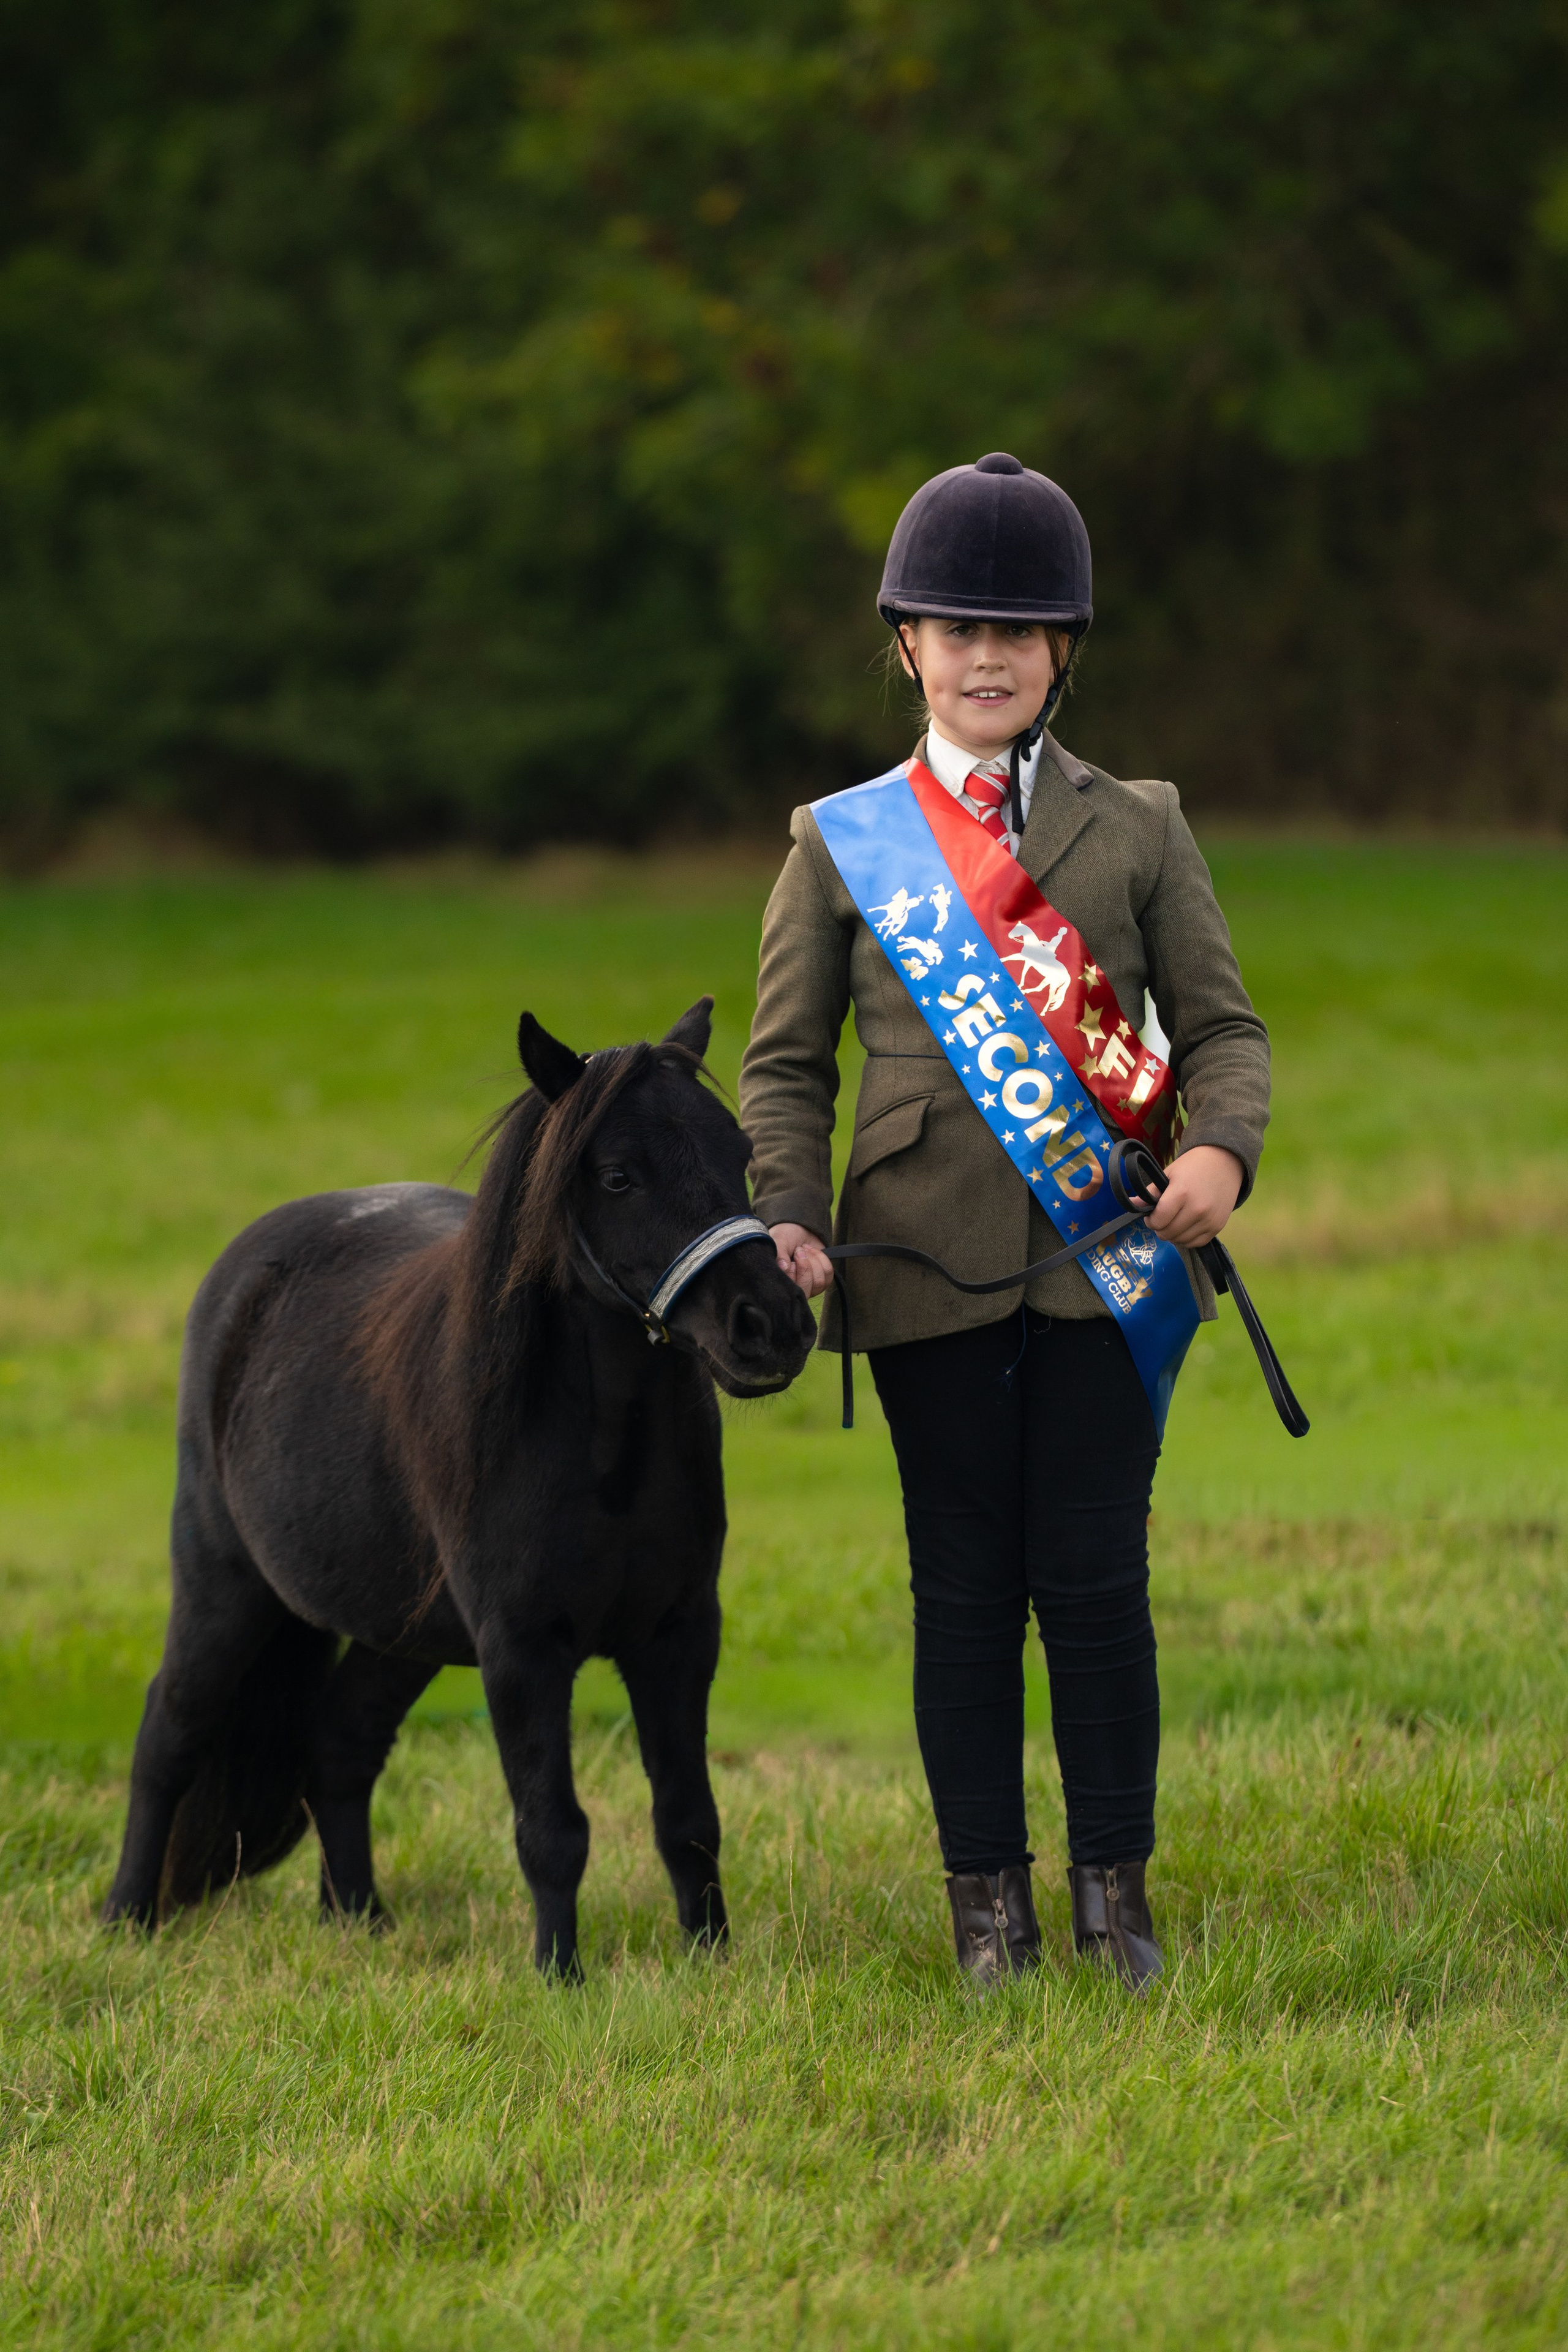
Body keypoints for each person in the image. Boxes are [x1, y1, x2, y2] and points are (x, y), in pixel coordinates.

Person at [738, 452, 1270, 1991]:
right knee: (962, 1590)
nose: (986, 657)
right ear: (903, 642)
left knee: (1099, 1578)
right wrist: (785, 1215)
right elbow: (781, 1069)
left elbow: (1220, 1032)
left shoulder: (1141, 826)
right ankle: (988, 1911)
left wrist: (1221, 1153)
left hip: (1106, 1260)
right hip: (913, 1266)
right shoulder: (842, 841)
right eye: (955, 628)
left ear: (1061, 653)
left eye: (1017, 632)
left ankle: (1118, 1895)